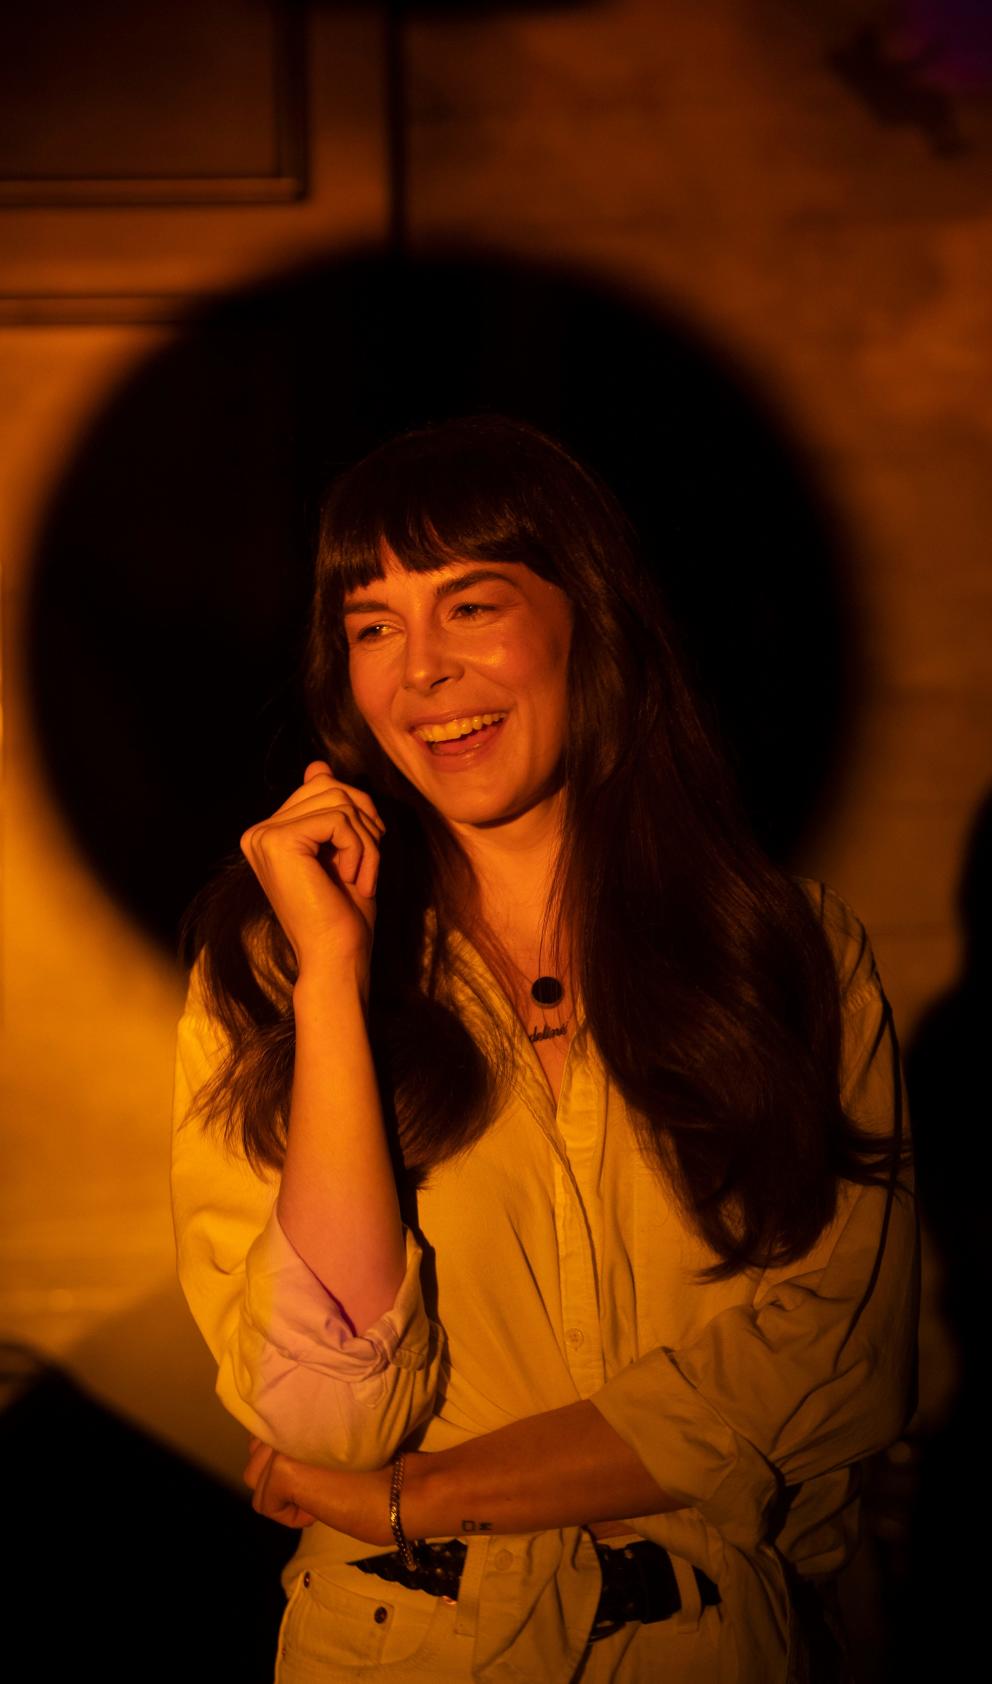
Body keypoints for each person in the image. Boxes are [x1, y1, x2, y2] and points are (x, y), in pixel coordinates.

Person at [171, 415, 918, 1684]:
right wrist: (339, 984)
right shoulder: (272, 964)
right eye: (372, 627)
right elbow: (321, 1413)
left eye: (471, 607)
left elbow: (831, 1368)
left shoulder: (785, 950)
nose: (421, 673)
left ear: (588, 619)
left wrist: (427, 1494)